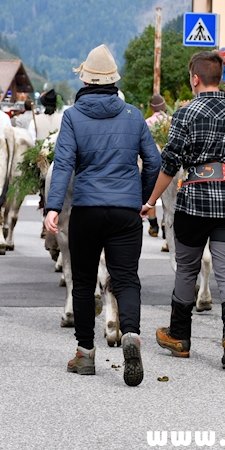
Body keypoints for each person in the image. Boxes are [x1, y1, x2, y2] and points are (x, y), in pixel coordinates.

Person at [44, 44, 161, 387]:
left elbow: (63, 164)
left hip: (86, 211)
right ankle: (131, 337)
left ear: (86, 81)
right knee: (126, 279)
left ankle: (85, 355)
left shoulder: (72, 116)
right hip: (125, 212)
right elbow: (153, 162)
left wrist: (53, 207)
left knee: (82, 282)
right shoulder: (133, 115)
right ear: (113, 81)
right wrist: (143, 198)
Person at [146, 51, 225, 371]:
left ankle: (179, 337)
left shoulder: (185, 114)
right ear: (219, 78)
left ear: (195, 78)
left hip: (194, 201)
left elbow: (170, 164)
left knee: (187, 268)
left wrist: (152, 201)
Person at [144, 93, 169, 237]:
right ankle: (166, 223)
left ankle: (153, 225)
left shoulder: (147, 123)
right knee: (168, 196)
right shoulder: (170, 121)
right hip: (169, 162)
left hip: (153, 162)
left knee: (152, 193)